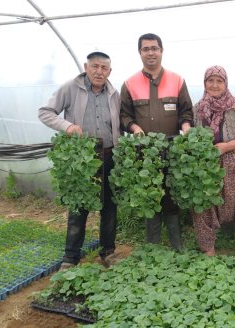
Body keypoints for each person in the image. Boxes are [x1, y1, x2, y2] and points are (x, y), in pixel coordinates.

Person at [38, 51, 120, 269]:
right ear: (86, 67)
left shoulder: (114, 93)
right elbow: (45, 112)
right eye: (95, 66)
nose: (99, 71)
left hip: (109, 155)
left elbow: (119, 125)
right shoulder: (71, 88)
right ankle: (70, 257)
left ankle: (108, 252)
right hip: (82, 157)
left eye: (104, 68)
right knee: (78, 207)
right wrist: (68, 126)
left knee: (109, 207)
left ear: (109, 72)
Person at [120, 33, 193, 250]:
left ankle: (176, 245)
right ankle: (152, 246)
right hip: (144, 151)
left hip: (171, 149)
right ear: (140, 53)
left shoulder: (177, 80)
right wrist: (134, 128)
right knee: (149, 195)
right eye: (146, 49)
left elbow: (186, 111)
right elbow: (124, 114)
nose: (150, 52)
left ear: (162, 51)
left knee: (170, 195)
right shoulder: (129, 83)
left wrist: (187, 127)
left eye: (154, 48)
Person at [192, 65, 235, 265]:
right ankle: (208, 247)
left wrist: (226, 147)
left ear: (225, 84)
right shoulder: (198, 109)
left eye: (219, 81)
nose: (214, 85)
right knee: (203, 204)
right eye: (210, 80)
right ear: (204, 84)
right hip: (207, 166)